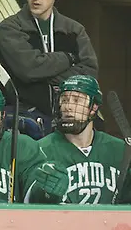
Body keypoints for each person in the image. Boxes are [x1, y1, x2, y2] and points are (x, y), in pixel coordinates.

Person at [0, 0, 98, 139]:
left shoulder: (74, 30)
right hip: (23, 122)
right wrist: (67, 59)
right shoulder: (9, 27)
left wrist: (41, 74)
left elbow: (89, 73)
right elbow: (28, 68)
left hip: (67, 119)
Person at [39, 75, 131, 204]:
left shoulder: (120, 150)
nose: (68, 107)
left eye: (76, 100)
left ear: (93, 108)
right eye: (64, 100)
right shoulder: (41, 150)